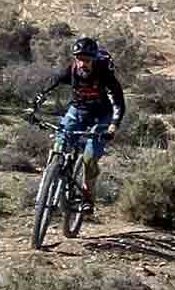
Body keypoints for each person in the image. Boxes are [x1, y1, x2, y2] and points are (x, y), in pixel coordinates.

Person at [31, 36, 126, 212]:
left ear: (94, 59)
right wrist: (34, 106)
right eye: (79, 59)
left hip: (102, 116)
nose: (83, 63)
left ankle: (87, 197)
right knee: (60, 141)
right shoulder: (71, 70)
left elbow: (118, 103)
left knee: (89, 158)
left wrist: (113, 126)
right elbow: (50, 85)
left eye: (87, 60)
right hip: (79, 110)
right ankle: (53, 176)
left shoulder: (104, 74)